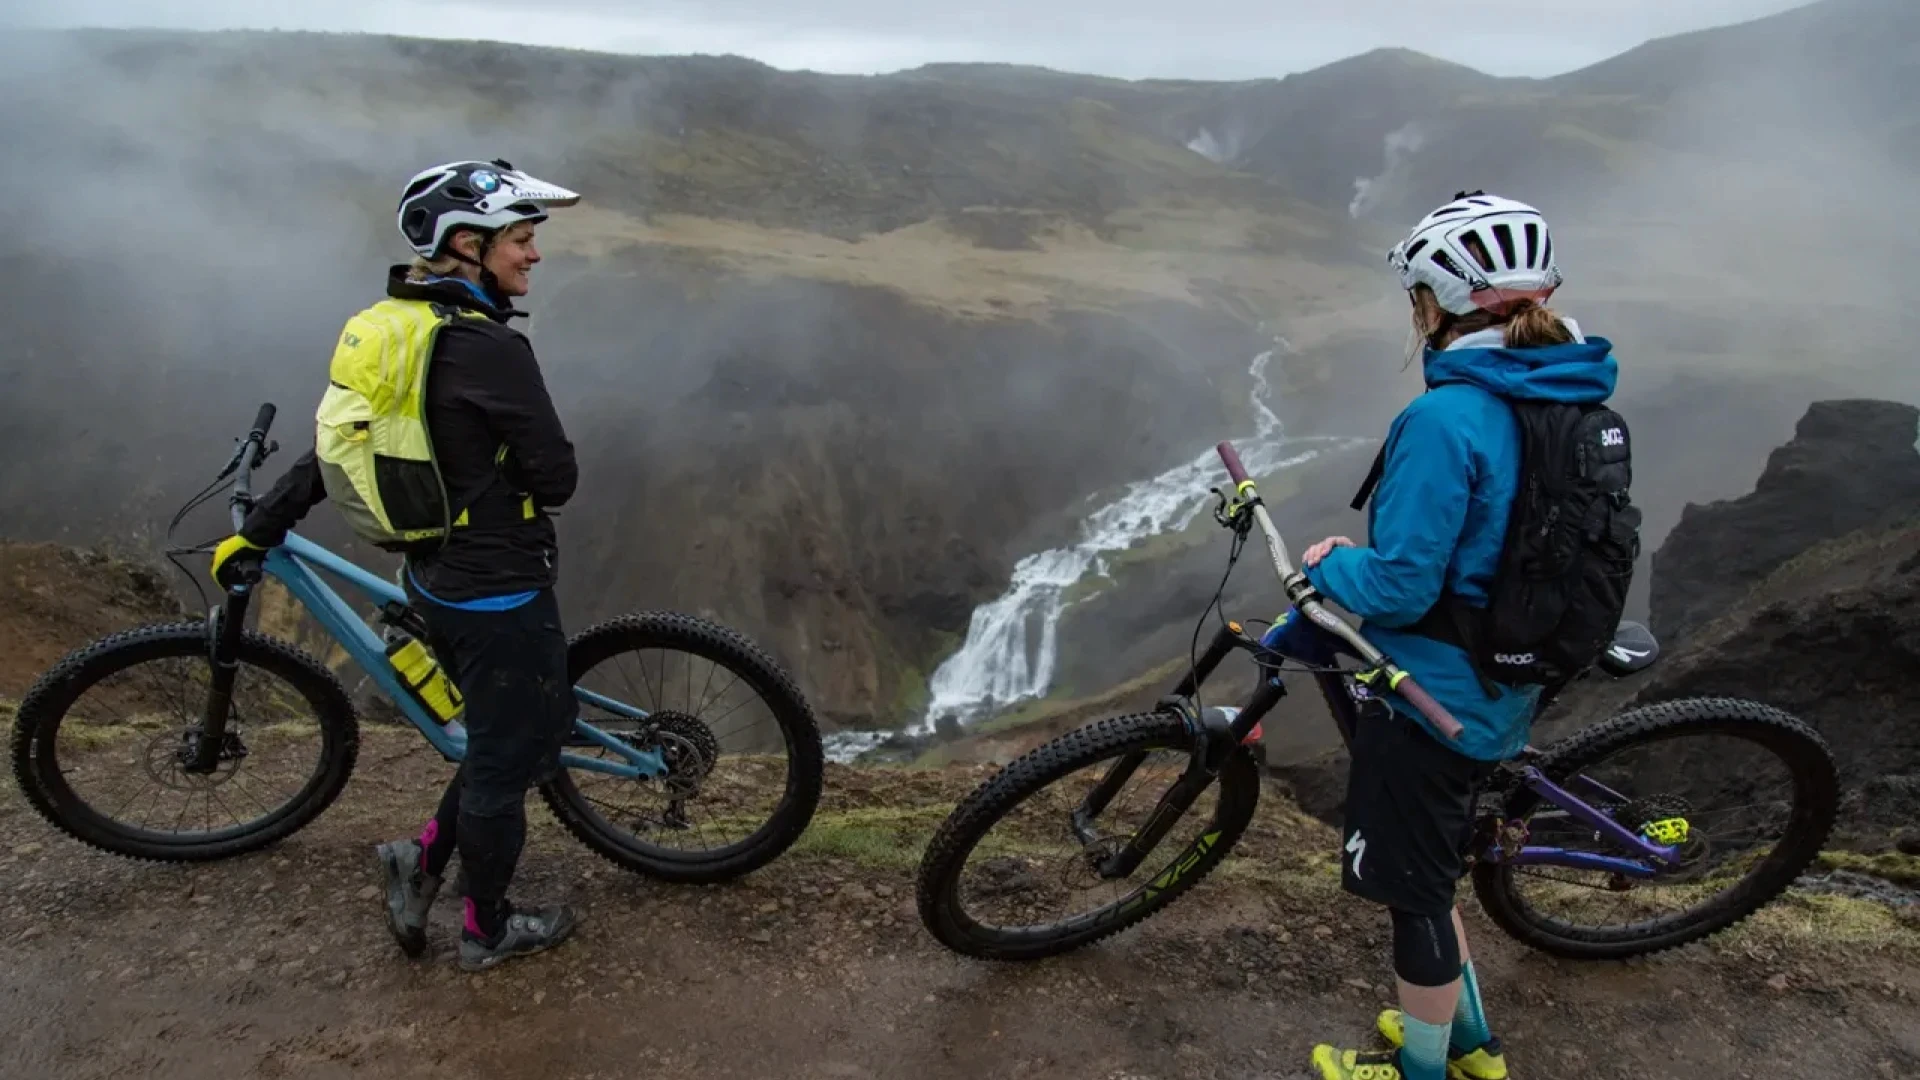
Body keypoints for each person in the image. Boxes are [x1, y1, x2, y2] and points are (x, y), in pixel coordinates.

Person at [209, 159, 586, 972]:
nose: (534, 254)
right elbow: (557, 477)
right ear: (468, 244)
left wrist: (261, 529)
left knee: (500, 732)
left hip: (432, 576)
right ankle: (485, 929)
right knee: (506, 757)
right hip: (497, 588)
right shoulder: (489, 348)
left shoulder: (392, 328)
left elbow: (336, 447)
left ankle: (419, 860)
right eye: (521, 239)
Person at [1294, 192, 1619, 1080]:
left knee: (1415, 894)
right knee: (1434, 871)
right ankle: (1472, 1048)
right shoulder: (1569, 395)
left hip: (1432, 694)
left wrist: (1332, 566)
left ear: (1434, 305)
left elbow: (1401, 586)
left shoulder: (1446, 419)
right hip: (1507, 678)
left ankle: (1421, 1068)